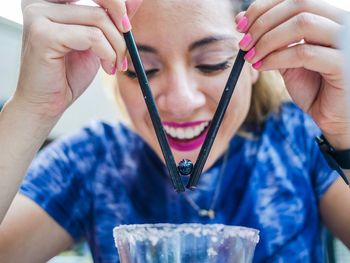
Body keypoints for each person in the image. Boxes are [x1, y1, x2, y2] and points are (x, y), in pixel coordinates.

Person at [0, 0, 350, 262]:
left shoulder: (300, 140)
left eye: (213, 63)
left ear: (256, 63)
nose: (180, 102)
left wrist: (344, 132)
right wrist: (32, 108)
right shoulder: (92, 160)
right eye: (144, 71)